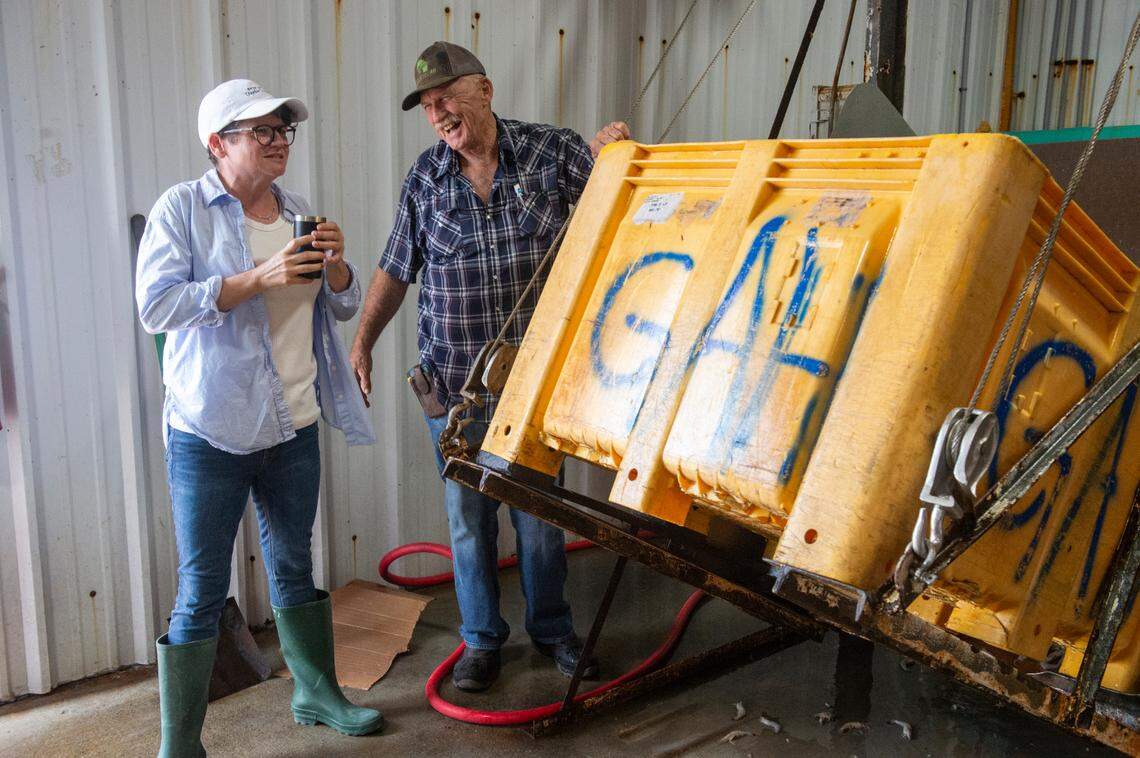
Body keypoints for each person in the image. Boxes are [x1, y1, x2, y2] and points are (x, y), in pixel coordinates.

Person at [350, 41, 630, 692]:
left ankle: (554, 631)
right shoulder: (425, 179)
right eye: (426, 104)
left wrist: (616, 154)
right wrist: (363, 341)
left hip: (533, 386)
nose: (438, 112)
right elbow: (396, 271)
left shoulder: (552, 153)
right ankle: (482, 643)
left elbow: (617, 213)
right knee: (468, 524)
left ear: (486, 90)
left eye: (446, 95)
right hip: (452, 391)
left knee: (538, 521)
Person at [136, 79, 382, 755]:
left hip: (293, 423)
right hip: (209, 431)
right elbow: (156, 306)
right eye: (261, 131)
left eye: (283, 130)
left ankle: (317, 693)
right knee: (202, 590)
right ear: (218, 144)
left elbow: (338, 305)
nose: (278, 142)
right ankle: (180, 742)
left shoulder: (297, 210)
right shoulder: (181, 209)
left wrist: (335, 269)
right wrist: (256, 278)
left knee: (295, 566)